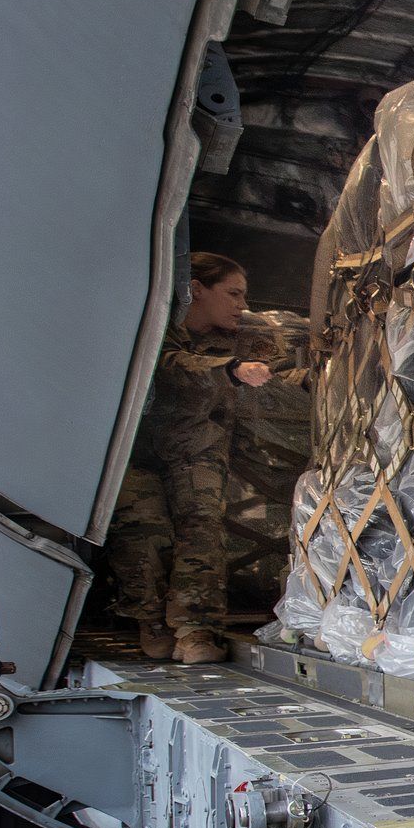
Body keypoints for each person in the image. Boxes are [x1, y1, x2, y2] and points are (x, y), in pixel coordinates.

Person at [113, 252, 271, 663]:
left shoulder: (239, 340)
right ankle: (151, 623)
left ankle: (195, 631)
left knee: (200, 529)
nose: (241, 305)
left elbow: (275, 371)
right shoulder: (152, 327)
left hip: (196, 446)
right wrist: (230, 369)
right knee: (141, 532)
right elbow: (167, 364)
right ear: (197, 289)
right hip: (134, 449)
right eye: (233, 293)